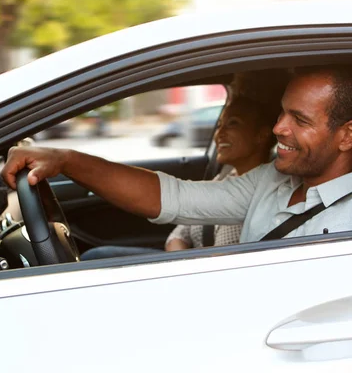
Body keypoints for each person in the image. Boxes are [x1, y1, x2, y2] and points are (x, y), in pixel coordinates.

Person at [1, 64, 352, 247]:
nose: (277, 128)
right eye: (281, 112)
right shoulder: (276, 179)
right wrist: (67, 160)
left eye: (298, 119)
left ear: (347, 135)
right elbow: (177, 198)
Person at [81, 70, 289, 259]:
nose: (220, 133)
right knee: (97, 256)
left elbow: (228, 263)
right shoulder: (226, 177)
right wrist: (182, 261)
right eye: (219, 125)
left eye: (233, 124)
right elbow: (177, 234)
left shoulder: (263, 194)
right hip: (184, 268)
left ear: (261, 136)